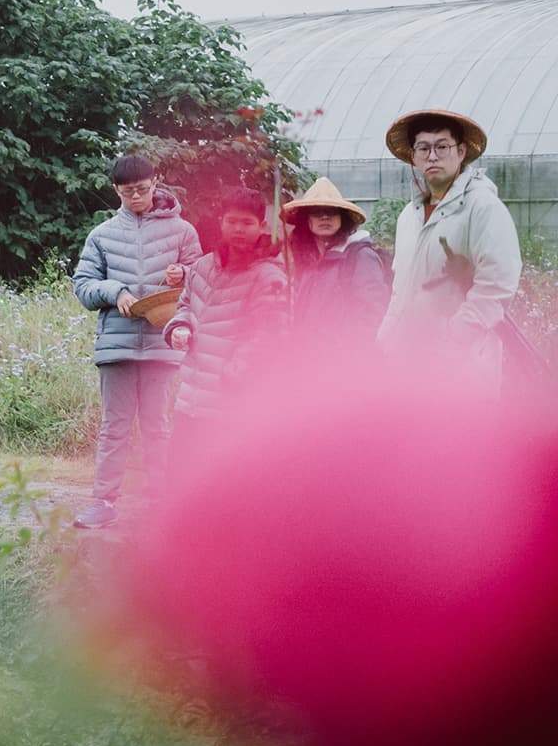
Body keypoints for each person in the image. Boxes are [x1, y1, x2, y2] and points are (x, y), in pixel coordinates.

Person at [69, 155, 201, 530]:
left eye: (143, 189)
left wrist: (185, 273)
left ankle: (162, 505)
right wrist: (115, 292)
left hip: (163, 341)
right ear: (116, 191)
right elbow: (83, 285)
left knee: (158, 425)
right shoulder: (102, 234)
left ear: (156, 182)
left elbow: (204, 278)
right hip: (117, 345)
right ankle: (104, 502)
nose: (137, 197)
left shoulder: (182, 231)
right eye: (128, 192)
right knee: (115, 425)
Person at [376, 109, 521, 386]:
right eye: (423, 148)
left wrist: (452, 338)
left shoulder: (482, 207)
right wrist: (385, 338)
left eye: (442, 147)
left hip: (462, 367)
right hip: (410, 364)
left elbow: (497, 285)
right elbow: (402, 287)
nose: (432, 156)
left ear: (461, 151)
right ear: (413, 157)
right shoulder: (410, 216)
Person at [164, 188, 290, 458]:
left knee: (222, 485)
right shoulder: (202, 267)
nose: (238, 229)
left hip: (232, 407)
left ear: (262, 226)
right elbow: (185, 306)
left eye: (247, 222)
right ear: (221, 222)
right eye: (232, 221)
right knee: (181, 476)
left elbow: (272, 335)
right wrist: (180, 327)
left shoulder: (269, 276)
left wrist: (234, 373)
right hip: (190, 399)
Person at [282, 177, 390, 342]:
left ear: (343, 218)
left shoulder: (360, 256)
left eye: (332, 211)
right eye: (317, 211)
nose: (325, 217)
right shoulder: (307, 259)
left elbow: (371, 313)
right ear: (306, 219)